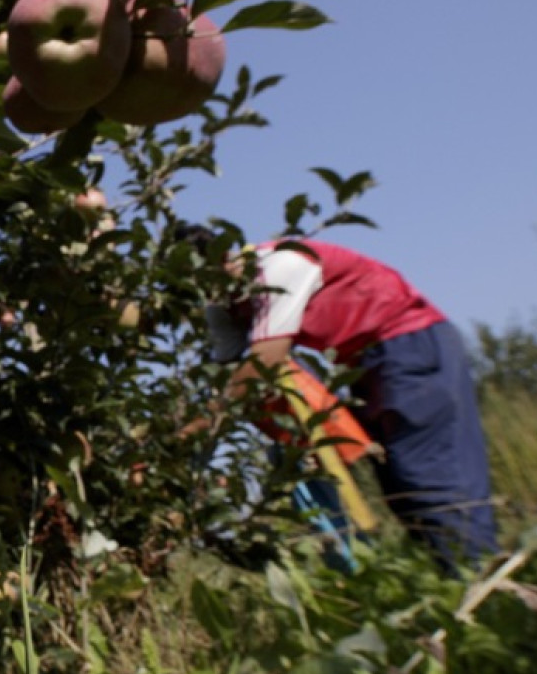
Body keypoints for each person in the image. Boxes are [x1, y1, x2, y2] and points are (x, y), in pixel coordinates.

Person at [188, 230, 499, 572]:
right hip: (367, 365)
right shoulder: (225, 306)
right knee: (401, 486)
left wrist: (186, 433)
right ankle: (457, 590)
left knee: (431, 478)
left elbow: (264, 362)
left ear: (218, 261)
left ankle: (484, 588)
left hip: (408, 344)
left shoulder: (279, 265)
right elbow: (229, 373)